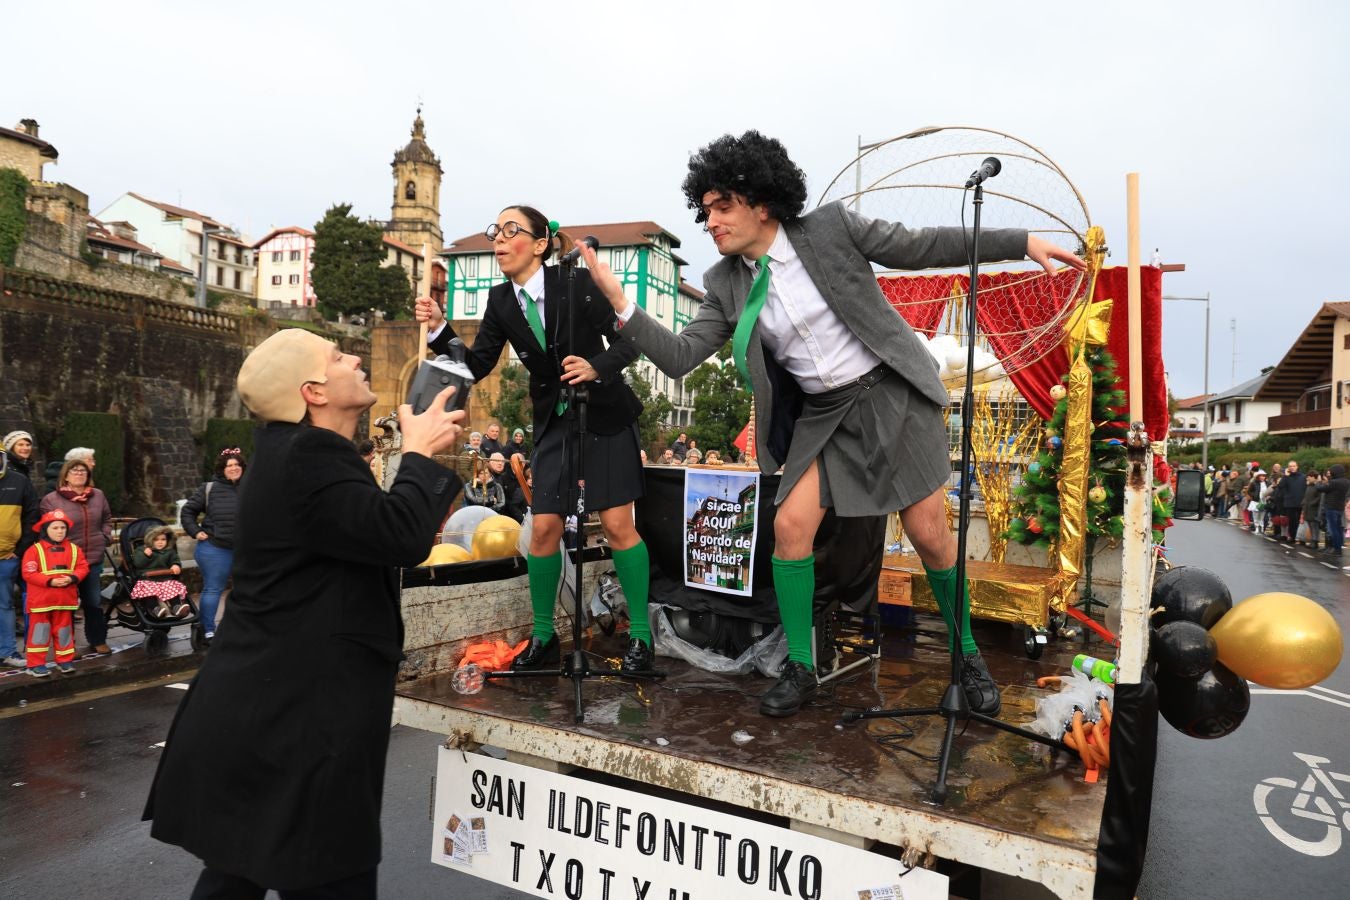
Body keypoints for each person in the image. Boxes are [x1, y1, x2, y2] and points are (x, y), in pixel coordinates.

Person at [583, 130, 1085, 717]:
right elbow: (680, 356)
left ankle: (965, 652)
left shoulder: (829, 229)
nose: (711, 221)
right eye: (705, 211)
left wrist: (1019, 240)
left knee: (928, 533)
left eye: (722, 206)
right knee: (791, 527)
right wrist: (622, 304)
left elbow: (921, 245)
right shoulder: (725, 283)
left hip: (891, 395)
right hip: (824, 415)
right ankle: (801, 665)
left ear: (760, 200)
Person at [145, 327, 465, 898]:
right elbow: (399, 535)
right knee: (320, 869)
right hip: (300, 720)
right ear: (313, 391)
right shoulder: (309, 456)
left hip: (262, 707)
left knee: (237, 871)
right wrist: (417, 453)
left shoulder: (288, 452)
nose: (357, 357)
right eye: (340, 356)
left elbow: (361, 533)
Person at [414, 204, 656, 675]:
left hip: (604, 413)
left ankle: (642, 639)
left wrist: (595, 366)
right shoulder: (501, 300)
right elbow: (476, 365)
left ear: (541, 244)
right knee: (543, 529)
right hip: (554, 423)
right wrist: (440, 329)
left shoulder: (579, 285)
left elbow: (632, 342)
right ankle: (544, 637)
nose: (499, 240)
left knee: (616, 525)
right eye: (495, 232)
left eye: (511, 231)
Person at [40, 458, 112, 655]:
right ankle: (65, 644)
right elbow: (47, 529)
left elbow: (106, 518)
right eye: (74, 471)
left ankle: (98, 639)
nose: (79, 473)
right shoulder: (52, 500)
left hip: (92, 558)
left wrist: (105, 536)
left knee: (93, 601)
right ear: (65, 475)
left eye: (83, 471)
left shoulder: (98, 495)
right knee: (66, 604)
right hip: (65, 560)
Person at [180, 449, 246, 643]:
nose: (234, 468)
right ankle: (208, 630)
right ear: (222, 469)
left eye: (237, 465)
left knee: (248, 590)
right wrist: (195, 531)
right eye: (229, 465)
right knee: (213, 589)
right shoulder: (209, 488)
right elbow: (187, 512)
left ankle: (242, 628)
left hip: (245, 549)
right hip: (215, 548)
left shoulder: (252, 486)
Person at [21, 509, 88, 676]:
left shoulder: (74, 549)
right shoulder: (34, 550)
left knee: (64, 632)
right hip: (41, 603)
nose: (60, 531)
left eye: (63, 528)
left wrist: (72, 578)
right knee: (39, 634)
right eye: (55, 528)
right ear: (45, 530)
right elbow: (28, 573)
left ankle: (65, 661)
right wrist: (49, 581)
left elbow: (83, 567)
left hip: (64, 600)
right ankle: (35, 664)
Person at [1, 448, 40, 668]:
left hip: (7, 557)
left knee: (4, 606)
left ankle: (7, 652)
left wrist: (20, 549)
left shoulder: (19, 481)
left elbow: (33, 515)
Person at [131, 525, 191, 620]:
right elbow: (137, 564)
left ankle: (176, 607)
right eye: (156, 539)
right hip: (148, 579)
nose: (160, 542)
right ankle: (155, 609)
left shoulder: (169, 551)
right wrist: (145, 555)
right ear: (150, 540)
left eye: (163, 539)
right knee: (148, 592)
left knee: (172, 587)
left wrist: (175, 565)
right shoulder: (142, 550)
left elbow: (175, 560)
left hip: (165, 579)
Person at [1314, 464, 1349, 557]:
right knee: (1338, 529)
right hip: (1340, 507)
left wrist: (1318, 482)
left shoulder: (1333, 482)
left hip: (1331, 507)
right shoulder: (1346, 482)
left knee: (1333, 530)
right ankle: (1338, 548)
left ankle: (1336, 549)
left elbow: (1320, 489)